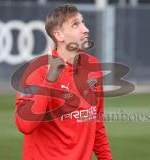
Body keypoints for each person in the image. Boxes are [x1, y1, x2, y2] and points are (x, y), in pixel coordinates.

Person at [14, 4, 113, 160]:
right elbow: (25, 126)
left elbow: (97, 124)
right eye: (75, 25)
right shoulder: (35, 71)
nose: (85, 29)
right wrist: (49, 81)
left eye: (83, 22)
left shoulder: (92, 66)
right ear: (59, 36)